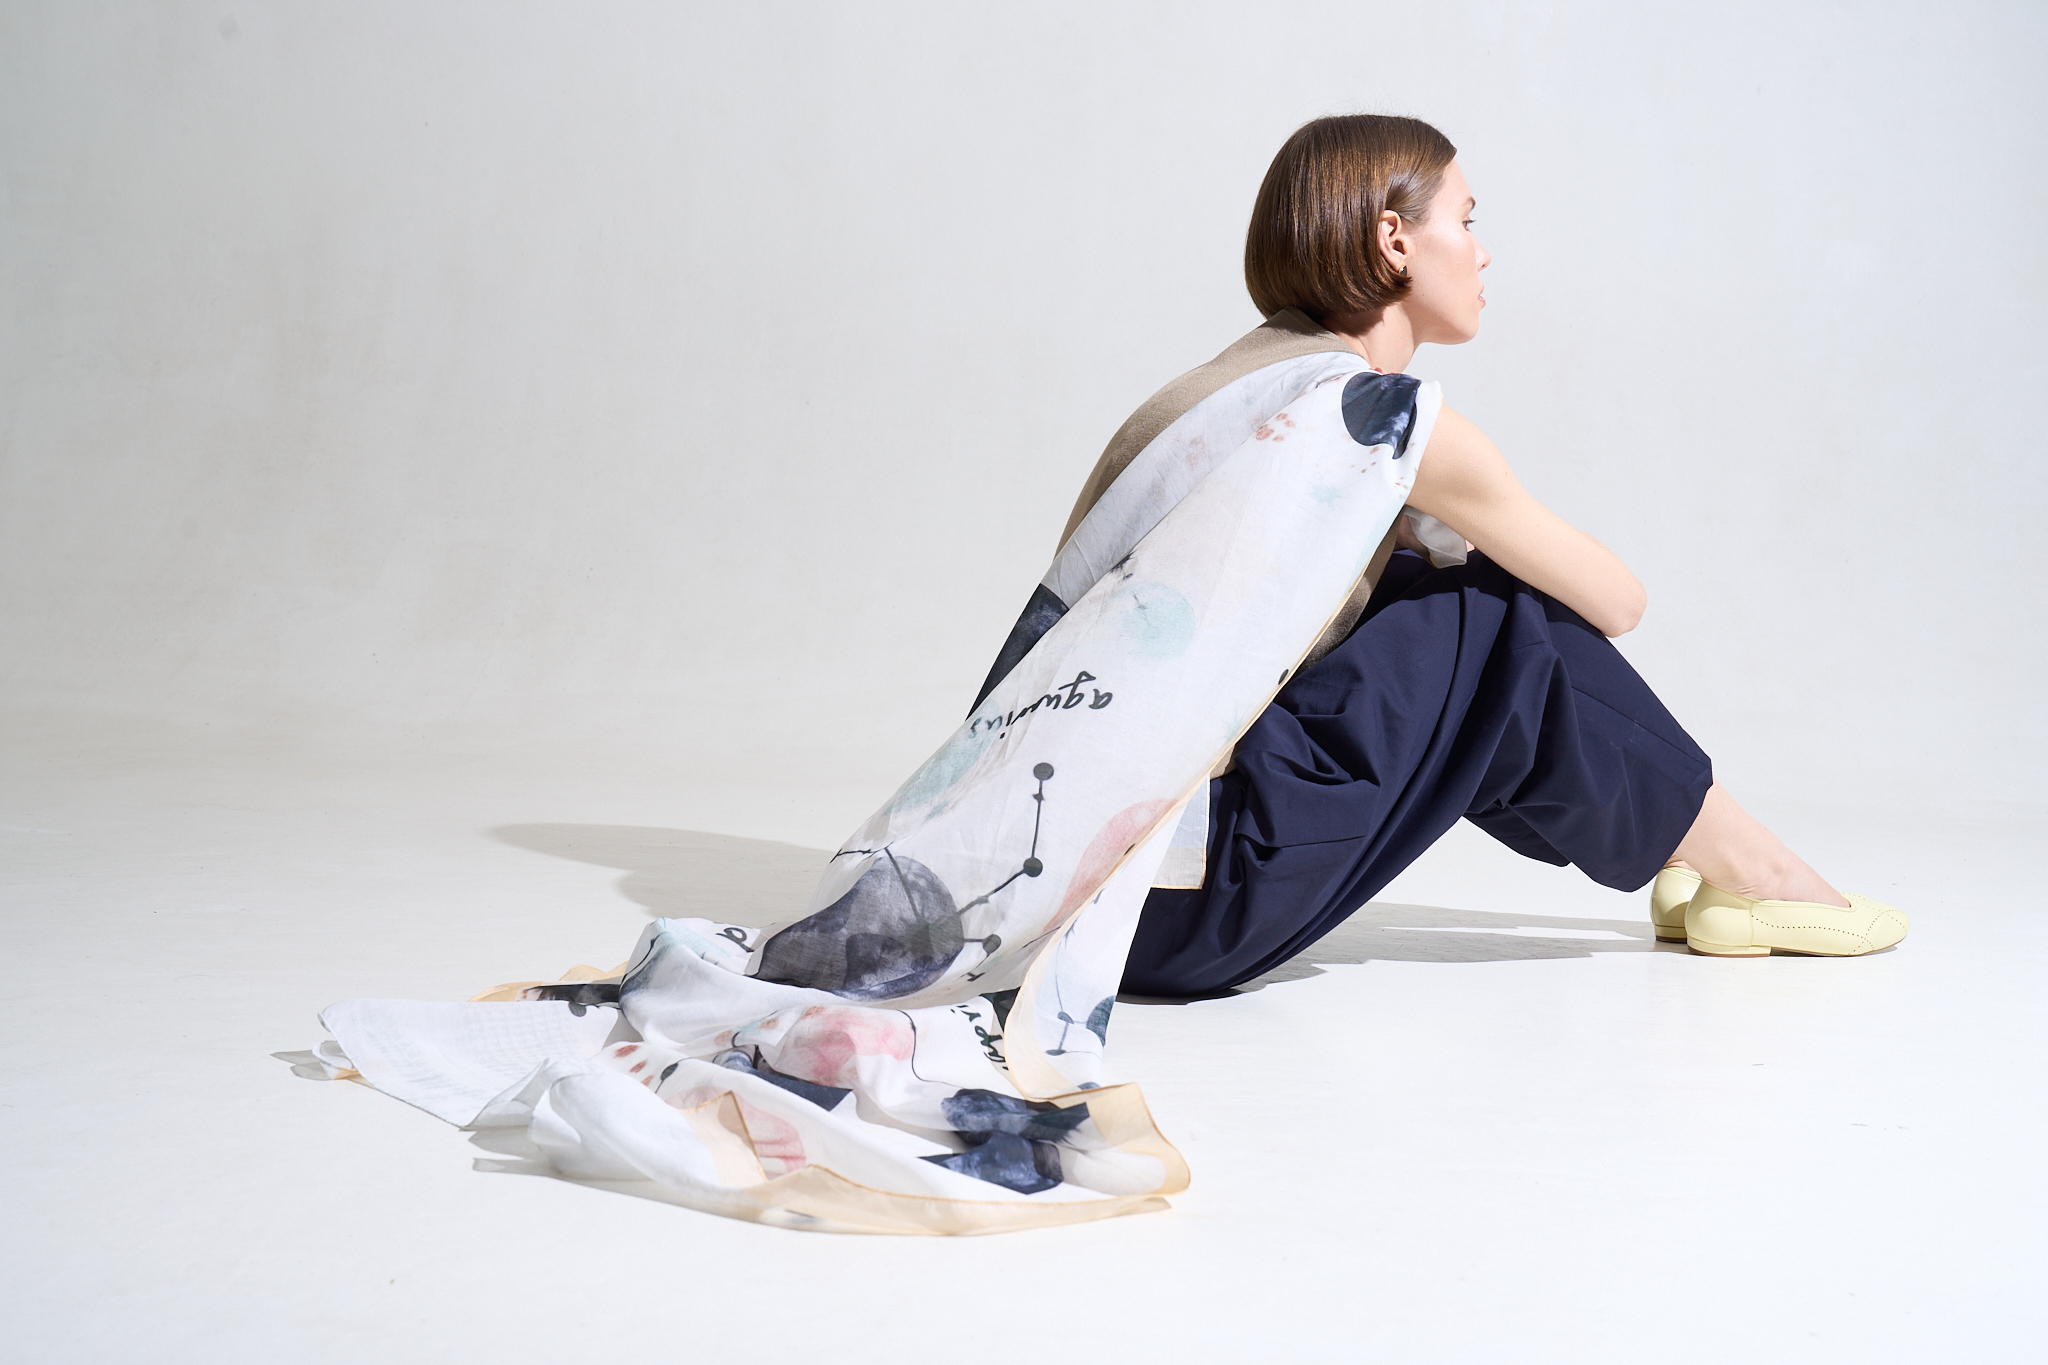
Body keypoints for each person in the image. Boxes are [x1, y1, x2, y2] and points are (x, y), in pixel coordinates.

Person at [1059, 115, 1913, 997]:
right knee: (1487, 606)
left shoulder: (1215, 393)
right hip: (1184, 898)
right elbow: (1618, 601)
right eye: (1465, 221)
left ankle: (1692, 850)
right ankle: (1753, 870)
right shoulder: (1380, 418)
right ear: (1394, 239)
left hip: (1069, 893)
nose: (1483, 252)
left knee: (1425, 601)